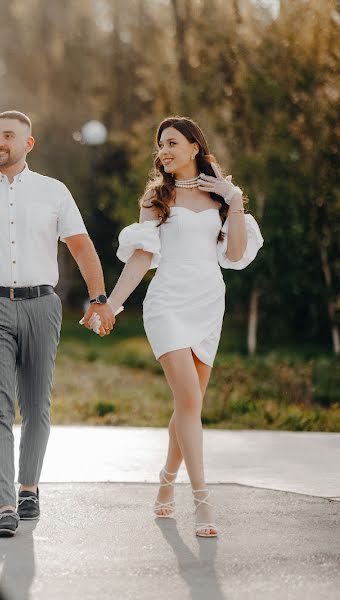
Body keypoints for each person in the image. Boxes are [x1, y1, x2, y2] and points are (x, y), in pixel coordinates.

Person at [0, 110, 115, 538]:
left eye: (8, 136)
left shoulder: (53, 192)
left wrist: (99, 297)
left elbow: (81, 245)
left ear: (28, 144)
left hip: (40, 307)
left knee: (35, 405)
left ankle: (28, 487)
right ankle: (5, 505)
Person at [106, 116, 263, 537]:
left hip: (208, 304)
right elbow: (141, 258)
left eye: (173, 142)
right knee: (190, 401)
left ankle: (165, 482)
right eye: (161, 145)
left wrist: (235, 199)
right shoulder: (157, 197)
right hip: (167, 305)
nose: (165, 151)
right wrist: (111, 305)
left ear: (195, 146)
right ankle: (202, 503)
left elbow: (235, 251)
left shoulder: (220, 197)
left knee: (188, 405)